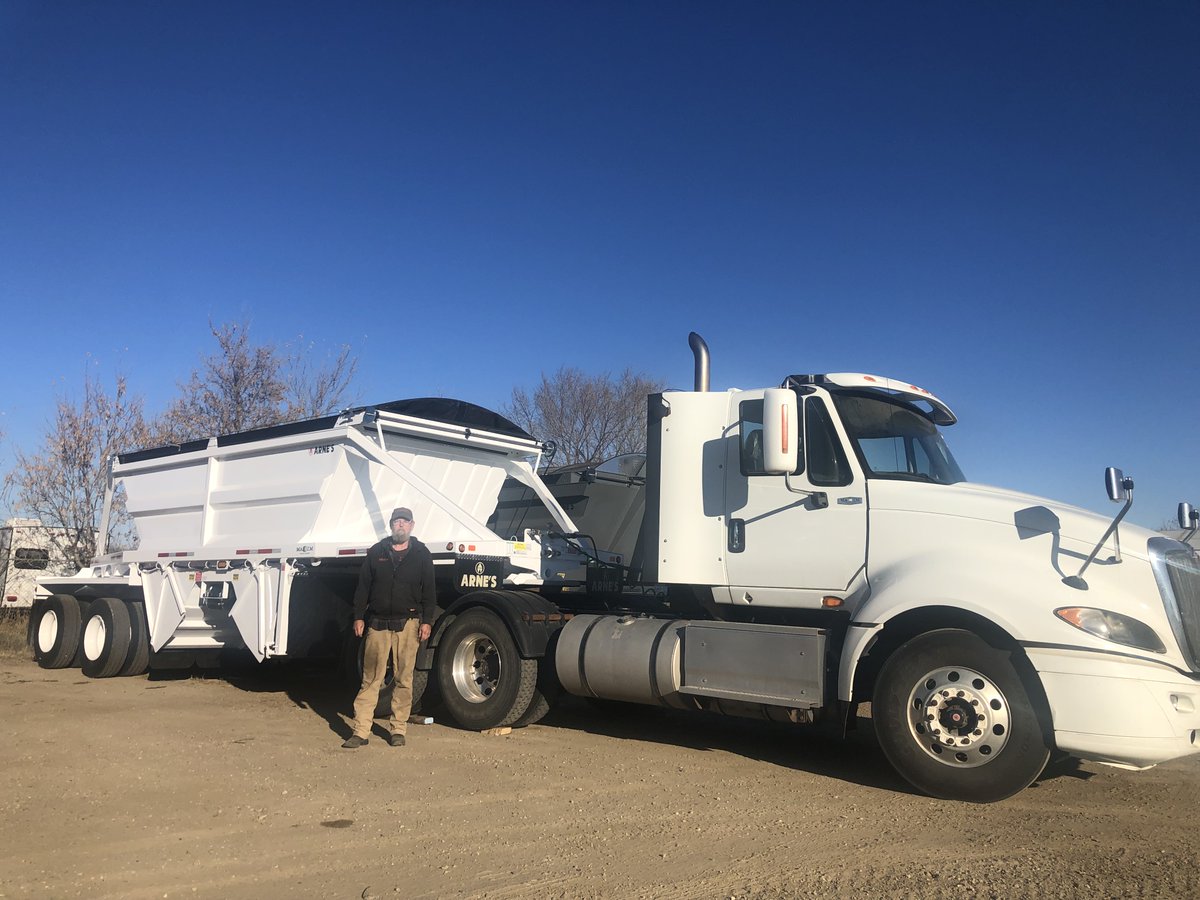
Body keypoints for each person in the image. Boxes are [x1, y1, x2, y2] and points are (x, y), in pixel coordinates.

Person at [343, 506, 436, 748]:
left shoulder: (422, 554)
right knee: (370, 679)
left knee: (404, 679)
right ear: (391, 525)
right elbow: (363, 587)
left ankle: (398, 730)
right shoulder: (377, 552)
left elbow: (429, 591)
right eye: (397, 522)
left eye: (405, 522)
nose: (400, 526)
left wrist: (427, 621)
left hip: (408, 625)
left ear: (412, 526)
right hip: (377, 625)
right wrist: (358, 616)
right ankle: (360, 731)